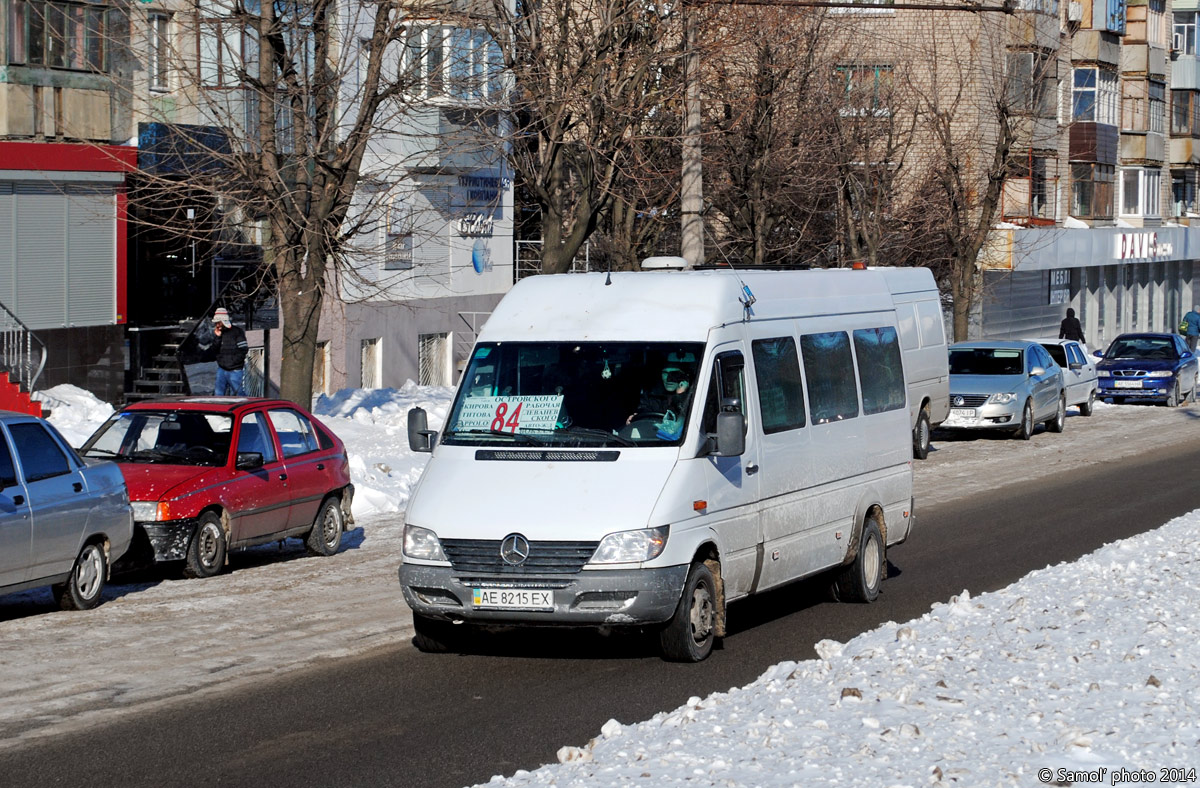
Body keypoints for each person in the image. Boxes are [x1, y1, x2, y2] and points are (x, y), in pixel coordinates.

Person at [628, 359, 696, 439]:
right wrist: (635, 419)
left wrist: (681, 395)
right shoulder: (651, 394)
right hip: (653, 438)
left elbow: (686, 420)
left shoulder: (693, 395)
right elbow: (643, 413)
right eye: (665, 373)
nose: (668, 379)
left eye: (674, 374)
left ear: (684, 377)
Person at [211, 307, 249, 396]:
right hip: (222, 368)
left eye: (218, 322)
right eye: (216, 323)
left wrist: (234, 362)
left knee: (238, 394)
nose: (217, 325)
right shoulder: (220, 333)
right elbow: (214, 349)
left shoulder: (237, 332)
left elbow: (243, 349)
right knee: (218, 393)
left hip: (235, 369)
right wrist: (218, 337)